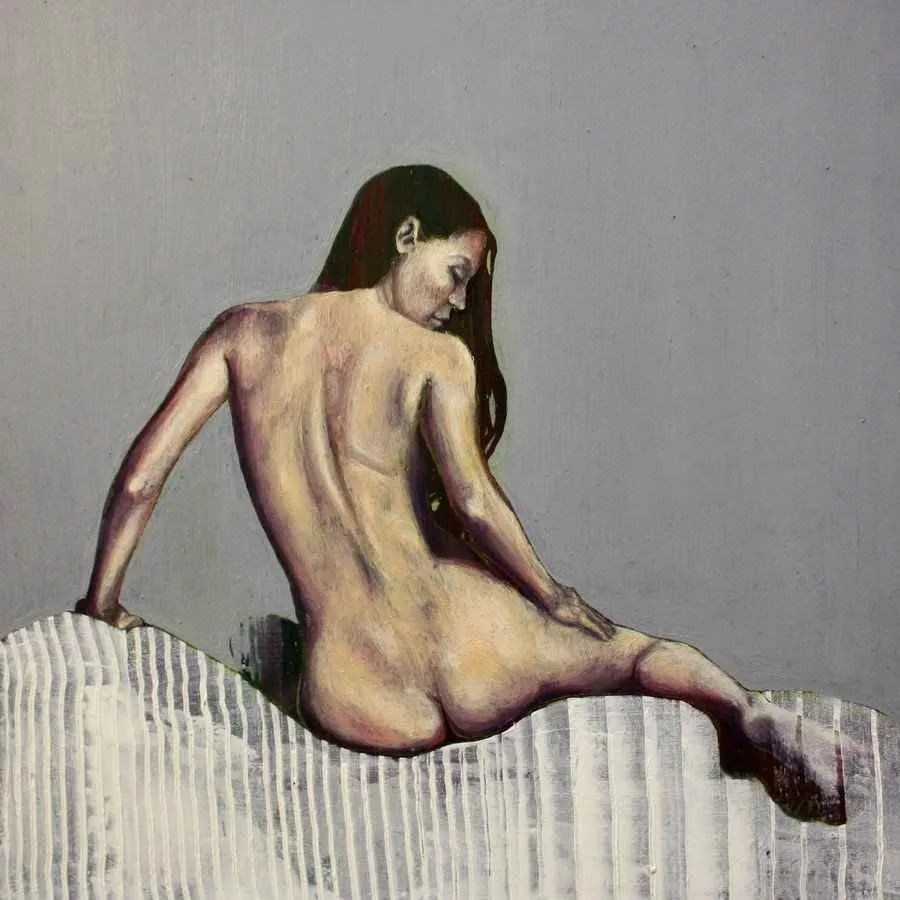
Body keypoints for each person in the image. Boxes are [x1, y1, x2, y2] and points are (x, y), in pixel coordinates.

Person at [76, 164, 846, 825]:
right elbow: (474, 503)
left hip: (359, 694)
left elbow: (140, 478)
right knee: (636, 654)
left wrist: (102, 606)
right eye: (457, 274)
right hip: (472, 651)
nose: (459, 302)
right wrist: (551, 596)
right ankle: (745, 713)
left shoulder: (241, 333)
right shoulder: (437, 358)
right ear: (407, 235)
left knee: (275, 652)